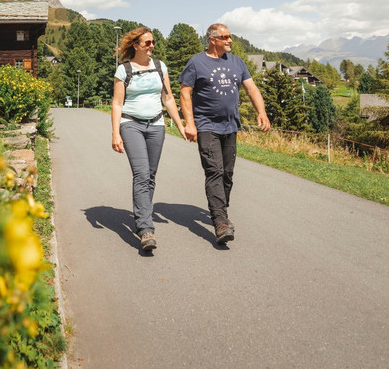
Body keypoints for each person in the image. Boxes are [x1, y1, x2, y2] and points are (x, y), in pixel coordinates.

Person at [179, 23, 270, 245]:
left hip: (231, 126)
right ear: (213, 39)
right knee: (215, 171)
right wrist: (190, 123)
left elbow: (252, 88)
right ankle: (219, 221)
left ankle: (222, 211)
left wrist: (262, 112)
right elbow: (184, 92)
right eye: (225, 37)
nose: (230, 40)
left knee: (227, 173)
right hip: (207, 125)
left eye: (230, 36)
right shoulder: (197, 62)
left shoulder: (237, 62)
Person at [111, 27, 187, 252]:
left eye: (153, 42)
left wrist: (181, 125)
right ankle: (145, 229)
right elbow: (116, 103)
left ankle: (142, 213)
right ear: (135, 45)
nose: (151, 45)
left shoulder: (159, 66)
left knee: (150, 175)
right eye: (147, 43)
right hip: (130, 123)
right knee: (142, 174)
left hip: (156, 125)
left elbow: (168, 98)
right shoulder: (124, 70)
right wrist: (115, 133)